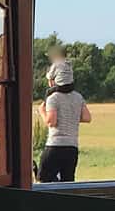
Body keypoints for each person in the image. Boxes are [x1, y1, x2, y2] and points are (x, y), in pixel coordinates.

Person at [39, 54, 90, 182]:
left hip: (55, 146)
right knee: (67, 183)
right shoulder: (78, 97)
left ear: (55, 79)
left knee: (43, 179)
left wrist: (42, 112)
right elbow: (87, 117)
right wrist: (70, 115)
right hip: (72, 148)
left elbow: (51, 121)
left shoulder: (54, 98)